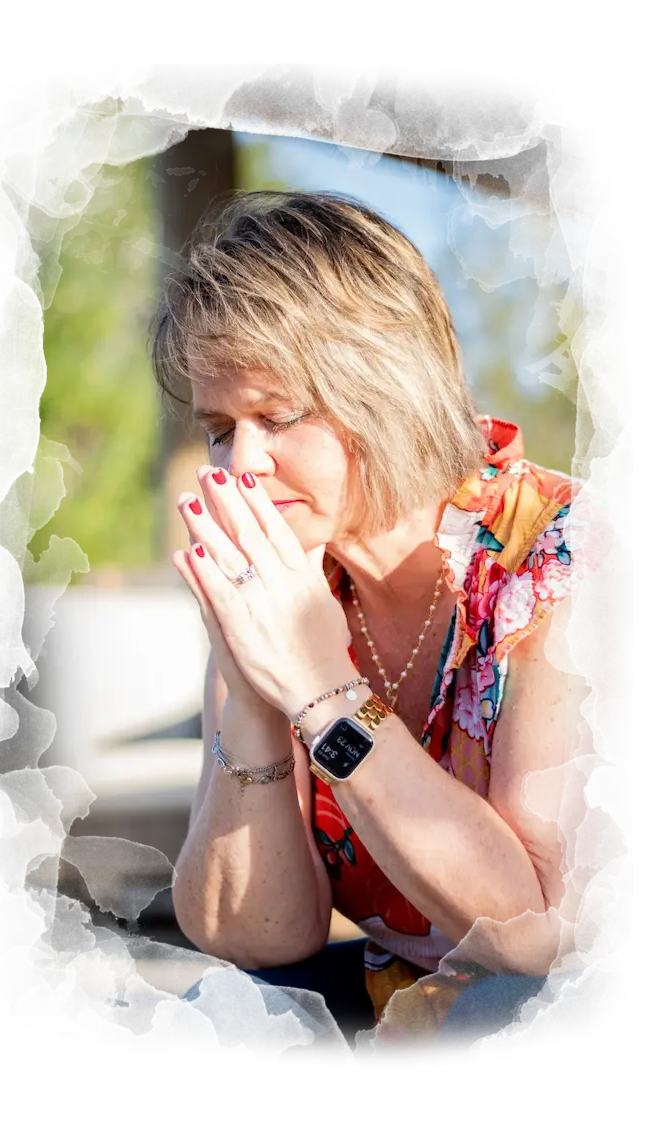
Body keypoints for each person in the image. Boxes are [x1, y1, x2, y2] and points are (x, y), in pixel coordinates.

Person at [151, 191, 632, 1066]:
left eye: (279, 416)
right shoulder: (289, 574)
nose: (242, 465)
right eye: (221, 429)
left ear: (382, 384)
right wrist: (255, 689)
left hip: (580, 975)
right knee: (229, 1016)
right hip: (413, 987)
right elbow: (254, 937)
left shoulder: (564, 557)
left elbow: (545, 931)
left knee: (509, 1022)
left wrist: (320, 690)